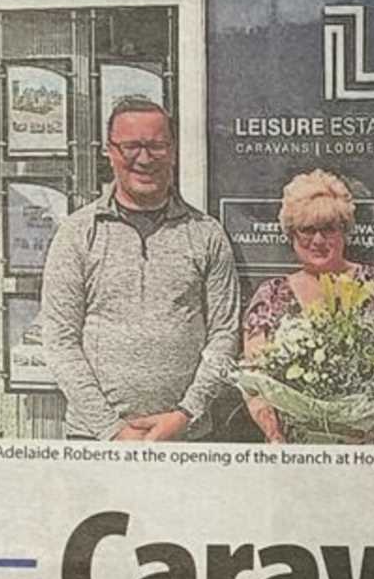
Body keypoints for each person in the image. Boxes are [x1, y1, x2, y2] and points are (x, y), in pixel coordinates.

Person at [40, 96, 239, 440]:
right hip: (96, 440)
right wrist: (112, 430)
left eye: (157, 146)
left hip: (187, 437)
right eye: (131, 146)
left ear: (173, 151)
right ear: (110, 151)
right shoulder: (77, 233)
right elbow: (60, 341)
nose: (145, 159)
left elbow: (225, 334)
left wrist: (185, 414)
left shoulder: (206, 234)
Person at [242, 169, 374, 444]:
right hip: (294, 446)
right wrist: (273, 432)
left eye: (329, 228)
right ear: (291, 234)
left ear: (345, 231)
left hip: (371, 445)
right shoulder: (270, 296)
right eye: (307, 230)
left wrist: (367, 425)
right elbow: (254, 379)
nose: (318, 240)